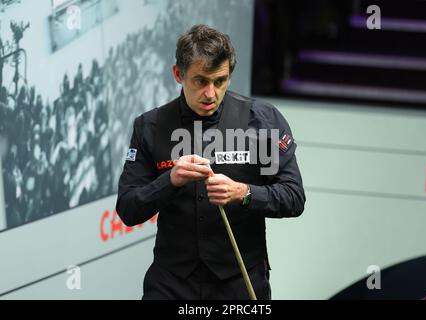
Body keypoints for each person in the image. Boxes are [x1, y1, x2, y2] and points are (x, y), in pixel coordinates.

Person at [116, 24, 306, 300]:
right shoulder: (151, 126)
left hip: (239, 281)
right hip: (172, 282)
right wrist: (169, 181)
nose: (210, 93)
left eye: (220, 81)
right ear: (178, 74)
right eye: (200, 81)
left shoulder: (262, 121)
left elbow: (294, 197)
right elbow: (128, 209)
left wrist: (245, 193)